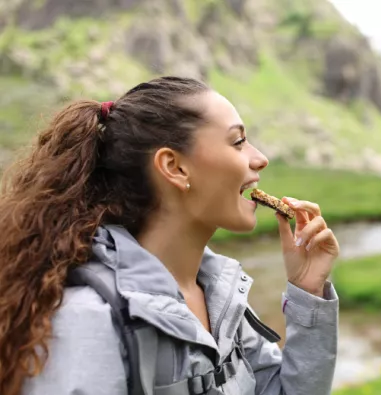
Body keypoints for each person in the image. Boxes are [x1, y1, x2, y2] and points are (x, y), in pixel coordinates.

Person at [0, 76, 341, 395]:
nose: (260, 158)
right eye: (238, 142)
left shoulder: (221, 298)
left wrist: (307, 290)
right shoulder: (88, 321)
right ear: (175, 167)